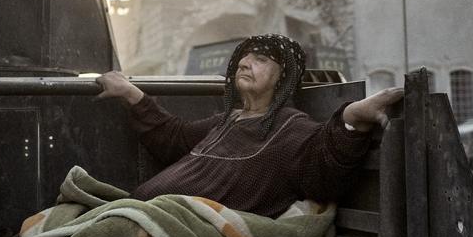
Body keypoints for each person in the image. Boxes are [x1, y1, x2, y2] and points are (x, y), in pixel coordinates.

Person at [96, 34, 403, 218]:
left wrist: (352, 117)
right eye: (243, 59)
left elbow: (322, 161)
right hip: (137, 215)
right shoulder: (227, 121)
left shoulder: (289, 128)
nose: (244, 63)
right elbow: (173, 138)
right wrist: (129, 92)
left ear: (283, 77)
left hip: (160, 228)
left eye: (260, 60)